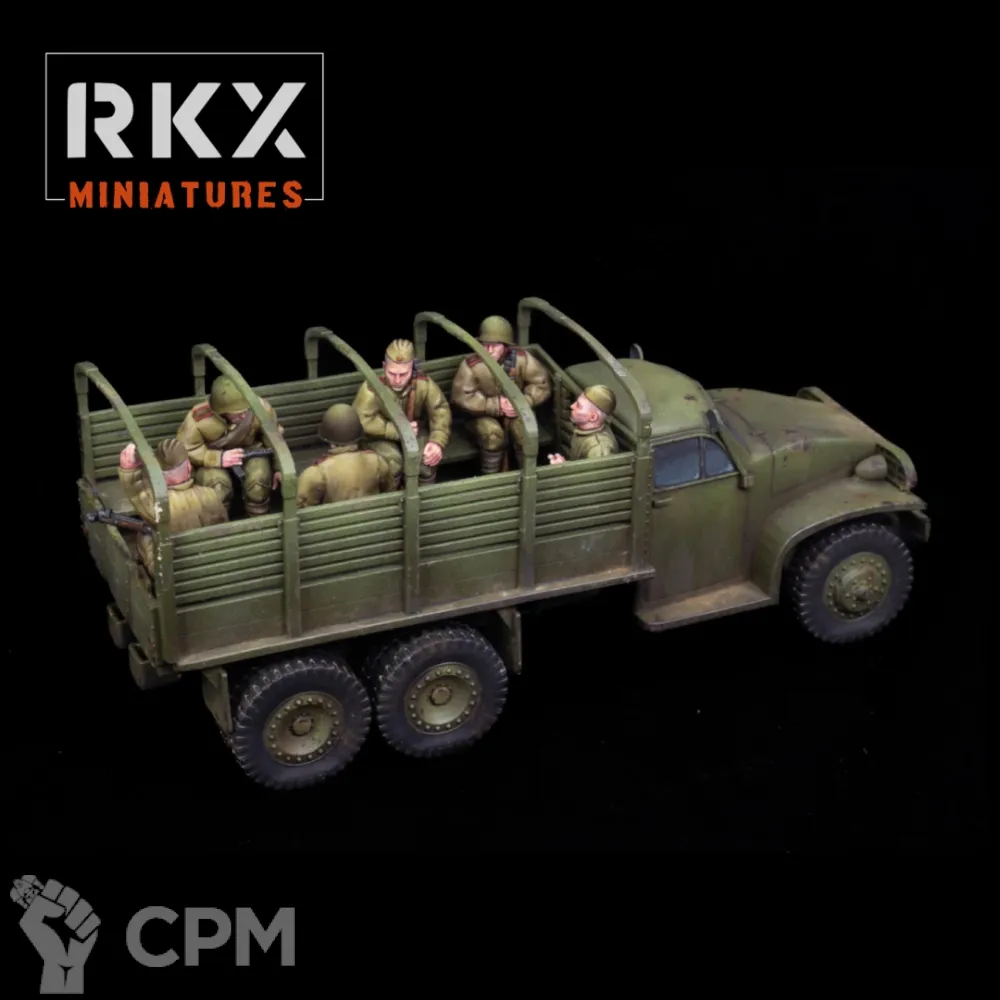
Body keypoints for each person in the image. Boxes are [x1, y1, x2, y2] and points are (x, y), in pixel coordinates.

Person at [118, 437, 228, 584]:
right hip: (209, 563)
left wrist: (129, 470)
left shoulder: (155, 505)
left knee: (145, 535)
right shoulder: (210, 495)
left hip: (172, 573)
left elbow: (136, 492)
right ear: (188, 467)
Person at [450, 315, 551, 474]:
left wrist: (523, 402)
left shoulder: (521, 359)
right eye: (485, 344)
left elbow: (540, 383)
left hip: (516, 411)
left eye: (495, 345)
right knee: (492, 435)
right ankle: (492, 478)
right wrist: (496, 405)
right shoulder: (471, 366)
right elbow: (462, 396)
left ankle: (529, 474)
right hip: (480, 415)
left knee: (525, 432)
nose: (489, 350)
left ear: (505, 345)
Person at [175, 375, 283, 516]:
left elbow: (273, 439)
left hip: (251, 451)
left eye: (245, 411)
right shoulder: (198, 418)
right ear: (221, 411)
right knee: (217, 489)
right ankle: (220, 524)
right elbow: (187, 448)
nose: (243, 416)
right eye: (236, 414)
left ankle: (259, 521)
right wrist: (217, 458)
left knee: (258, 482)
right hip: (210, 459)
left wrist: (279, 468)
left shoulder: (260, 408)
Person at [352, 338, 451, 487]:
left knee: (425, 462)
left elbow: (440, 410)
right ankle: (392, 497)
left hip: (415, 432)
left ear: (412, 368)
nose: (397, 380)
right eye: (392, 373)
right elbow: (361, 419)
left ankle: (425, 497)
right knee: (392, 463)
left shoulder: (423, 384)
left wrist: (437, 441)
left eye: (404, 374)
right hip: (378, 437)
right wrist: (396, 430)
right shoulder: (372, 389)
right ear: (384, 366)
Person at [296, 403, 396, 507]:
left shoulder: (315, 474)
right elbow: (390, 492)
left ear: (329, 441)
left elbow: (300, 508)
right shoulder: (377, 462)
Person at [547, 385, 620, 464]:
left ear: (593, 417)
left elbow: (596, 472)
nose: (572, 406)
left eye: (578, 406)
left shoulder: (598, 448)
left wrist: (563, 465)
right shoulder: (584, 428)